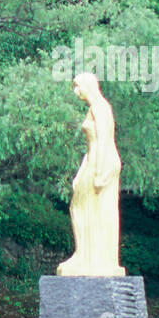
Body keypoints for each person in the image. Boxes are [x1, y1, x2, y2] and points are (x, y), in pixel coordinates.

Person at [57, 72, 125, 277]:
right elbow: (90, 147)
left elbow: (104, 140)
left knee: (87, 209)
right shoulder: (93, 109)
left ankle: (91, 257)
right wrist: (80, 173)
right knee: (81, 208)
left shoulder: (101, 108)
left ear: (88, 86)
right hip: (93, 159)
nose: (76, 91)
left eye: (78, 86)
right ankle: (84, 255)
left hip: (102, 161)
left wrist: (100, 171)